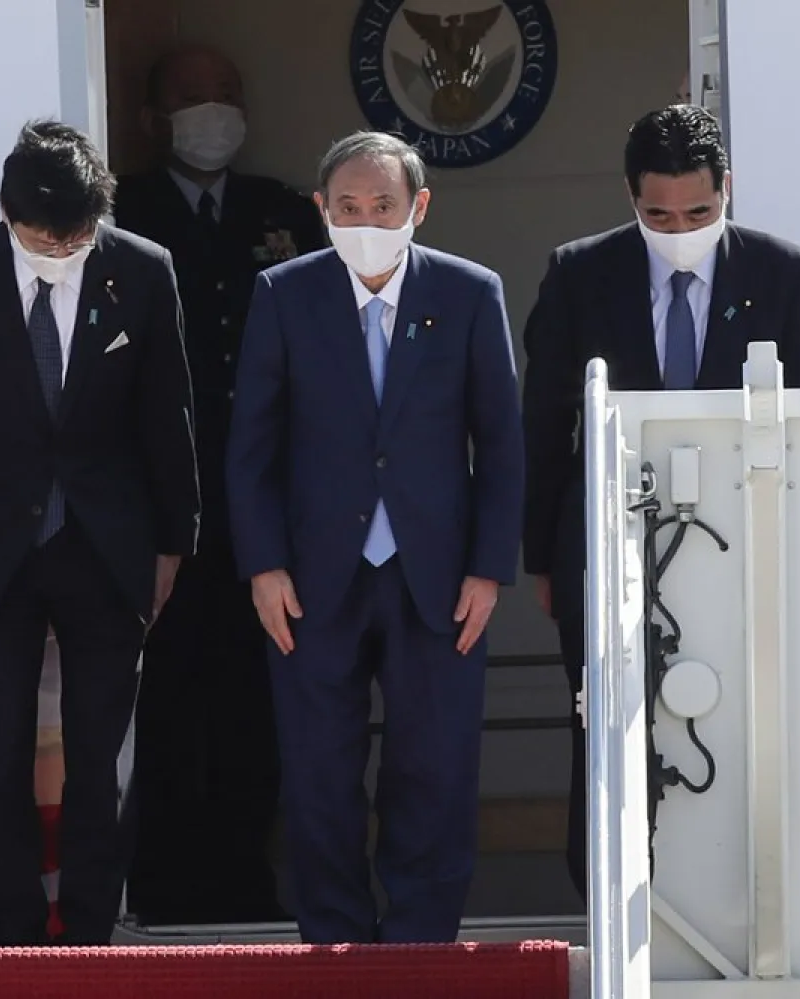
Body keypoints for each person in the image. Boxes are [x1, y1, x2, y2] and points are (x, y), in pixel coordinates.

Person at [521, 103, 800, 900]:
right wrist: (542, 557)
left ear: (728, 187)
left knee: (748, 726)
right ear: (630, 196)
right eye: (657, 213)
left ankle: (748, 907)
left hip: (744, 545)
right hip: (607, 549)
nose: (679, 226)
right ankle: (606, 906)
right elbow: (545, 422)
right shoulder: (579, 272)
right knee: (605, 732)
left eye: (698, 210)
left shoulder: (784, 273)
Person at [0, 119, 199, 946]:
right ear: (6, 213)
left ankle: (89, 931)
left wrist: (174, 541)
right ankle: (13, 936)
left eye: (75, 234)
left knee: (99, 756)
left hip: (110, 547)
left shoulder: (143, 270)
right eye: (43, 234)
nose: (59, 247)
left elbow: (167, 415)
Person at [225, 131, 524, 944]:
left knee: (434, 767)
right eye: (347, 207)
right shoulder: (285, 294)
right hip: (314, 577)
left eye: (381, 206)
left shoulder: (469, 293)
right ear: (322, 209)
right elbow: (251, 442)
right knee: (320, 771)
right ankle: (334, 937)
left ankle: (421, 936)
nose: (364, 221)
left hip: (439, 576)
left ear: (417, 207)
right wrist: (263, 565)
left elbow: (501, 441)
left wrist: (491, 569)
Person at [112, 43, 325, 925]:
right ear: (155, 118)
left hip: (264, 497)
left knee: (255, 697)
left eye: (227, 94)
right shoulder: (125, 207)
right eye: (193, 97)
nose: (214, 111)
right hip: (161, 494)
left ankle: (245, 872)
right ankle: (163, 877)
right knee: (162, 693)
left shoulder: (283, 209)